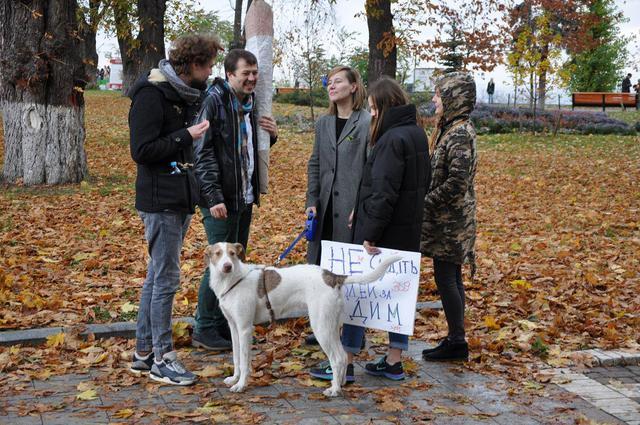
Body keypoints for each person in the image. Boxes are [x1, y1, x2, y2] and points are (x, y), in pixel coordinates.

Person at [310, 76, 429, 383]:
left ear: (387, 106)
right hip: (408, 230)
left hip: (383, 231)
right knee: (397, 295)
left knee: (357, 290)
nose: (372, 114)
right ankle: (393, 361)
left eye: (375, 109)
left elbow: (384, 192)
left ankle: (345, 362)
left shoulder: (391, 140)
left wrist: (369, 232)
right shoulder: (416, 134)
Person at [128, 33, 223, 385]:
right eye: (209, 64)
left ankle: (143, 352)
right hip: (160, 201)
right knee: (166, 279)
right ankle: (163, 358)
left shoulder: (183, 95)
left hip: (179, 197)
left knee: (157, 275)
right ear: (193, 64)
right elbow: (142, 150)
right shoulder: (151, 94)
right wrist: (187, 136)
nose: (211, 70)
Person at [192, 49, 278, 351]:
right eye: (246, 73)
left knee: (236, 262)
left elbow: (246, 147)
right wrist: (214, 196)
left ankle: (223, 322)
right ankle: (204, 326)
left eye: (255, 73)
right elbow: (202, 153)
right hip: (220, 199)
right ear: (230, 74)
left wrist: (272, 136)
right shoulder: (214, 101)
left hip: (244, 197)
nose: (253, 78)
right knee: (219, 264)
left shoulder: (251, 103)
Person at [303, 65, 369, 346]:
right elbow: (315, 163)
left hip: (351, 211)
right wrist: (312, 201)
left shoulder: (366, 121)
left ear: (354, 86)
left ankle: (352, 334)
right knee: (321, 269)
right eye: (328, 82)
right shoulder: (323, 123)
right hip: (326, 208)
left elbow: (371, 168)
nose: (331, 86)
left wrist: (362, 205)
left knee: (348, 270)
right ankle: (322, 327)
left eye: (338, 81)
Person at [420, 72, 478, 362]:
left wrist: (424, 202)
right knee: (449, 276)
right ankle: (456, 338)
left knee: (447, 277)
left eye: (440, 95)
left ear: (454, 98)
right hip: (449, 221)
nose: (434, 100)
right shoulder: (452, 129)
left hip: (451, 223)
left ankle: (457, 340)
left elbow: (457, 183)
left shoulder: (458, 134)